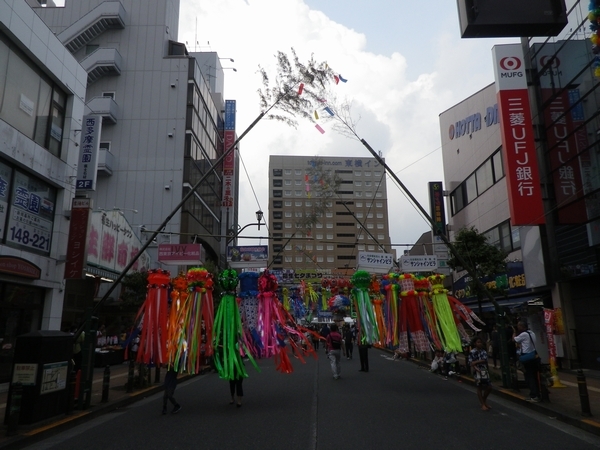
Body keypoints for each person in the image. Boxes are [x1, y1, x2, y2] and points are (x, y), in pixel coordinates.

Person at [513, 320, 541, 402]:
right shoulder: (531, 333)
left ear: (522, 326)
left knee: (529, 377)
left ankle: (534, 395)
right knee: (534, 376)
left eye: (518, 326)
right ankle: (537, 394)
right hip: (534, 356)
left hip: (527, 358)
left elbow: (514, 340)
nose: (518, 327)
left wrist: (514, 332)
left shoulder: (523, 334)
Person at [468, 337, 492, 411]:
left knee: (489, 386)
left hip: (484, 370)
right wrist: (475, 368)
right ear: (475, 343)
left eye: (480, 342)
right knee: (479, 387)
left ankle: (484, 401)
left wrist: (476, 362)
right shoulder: (472, 352)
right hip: (477, 371)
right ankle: (482, 404)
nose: (480, 344)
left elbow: (485, 360)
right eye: (478, 342)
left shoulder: (484, 352)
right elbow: (470, 363)